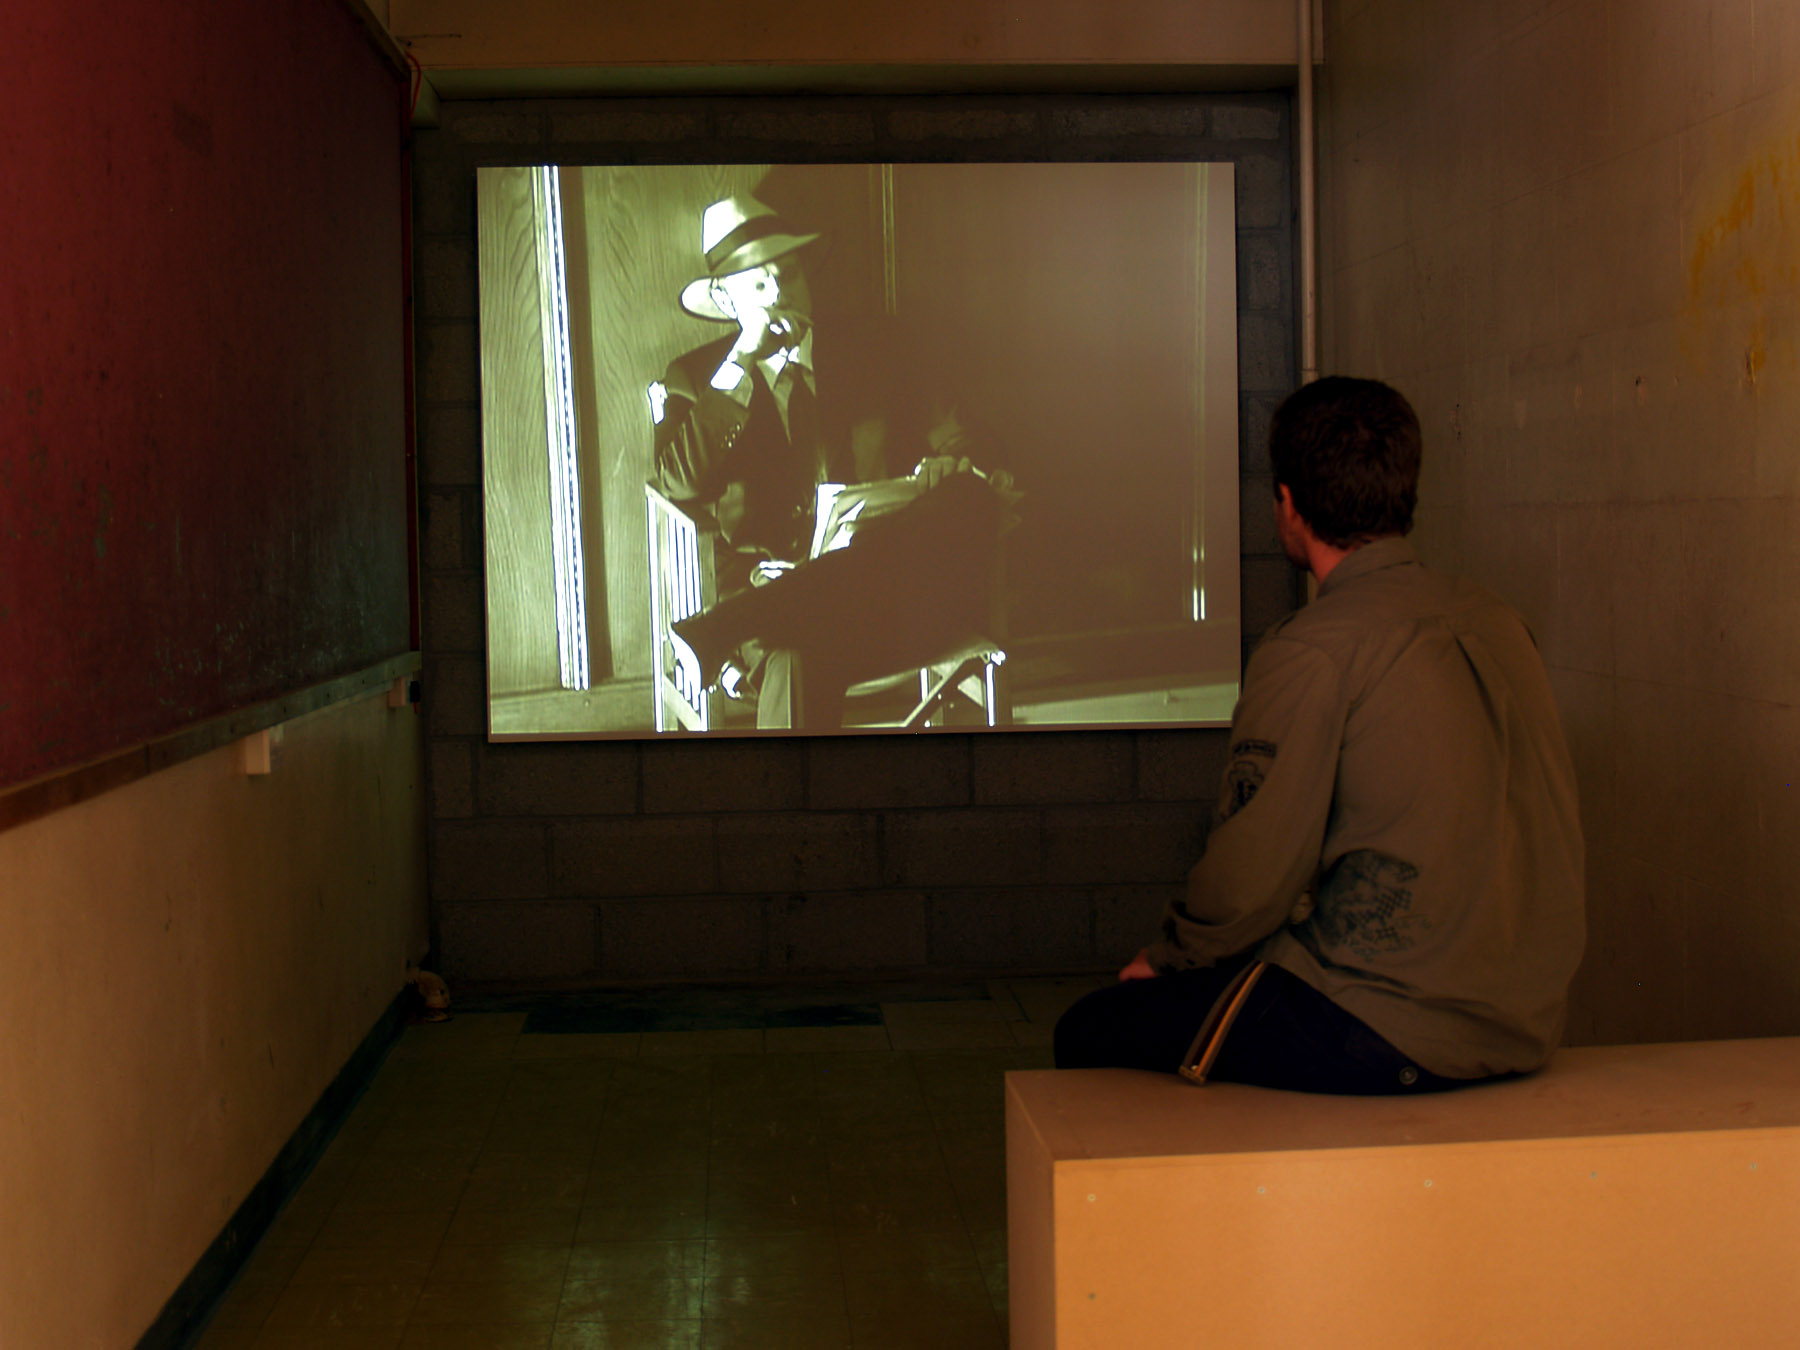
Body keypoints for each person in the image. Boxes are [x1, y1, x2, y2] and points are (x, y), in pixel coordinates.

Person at [1054, 377, 1585, 1094]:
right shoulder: (1498, 620)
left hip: (1388, 1024)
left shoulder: (1311, 649)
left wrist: (1170, 956)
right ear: (1404, 489)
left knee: (1089, 1029)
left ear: (1288, 504)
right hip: (1525, 1019)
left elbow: (1250, 883)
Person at [650, 193, 1014, 729]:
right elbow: (677, 483)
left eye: (789, 275)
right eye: (758, 284)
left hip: (889, 592)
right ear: (726, 300)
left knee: (971, 497)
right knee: (795, 652)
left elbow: (962, 437)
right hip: (784, 608)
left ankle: (725, 625)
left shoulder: (875, 350)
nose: (780, 294)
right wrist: (741, 362)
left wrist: (952, 464)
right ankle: (764, 612)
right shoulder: (696, 378)